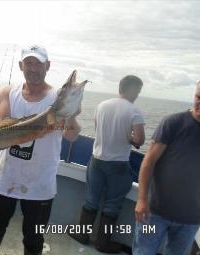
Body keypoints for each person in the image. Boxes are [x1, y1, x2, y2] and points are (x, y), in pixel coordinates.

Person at [0, 45, 81, 255]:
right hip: (6, 178)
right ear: (21, 65)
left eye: (38, 63)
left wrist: (69, 115)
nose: (33, 68)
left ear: (48, 66)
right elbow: (2, 126)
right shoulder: (8, 92)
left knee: (34, 237)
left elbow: (72, 135)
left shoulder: (57, 99)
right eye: (29, 63)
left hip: (40, 182)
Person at [69, 75, 145, 253]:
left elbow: (99, 130)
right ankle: (102, 243)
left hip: (96, 160)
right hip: (118, 164)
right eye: (138, 91)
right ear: (132, 90)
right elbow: (140, 139)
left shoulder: (102, 106)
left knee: (92, 199)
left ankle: (82, 234)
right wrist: (130, 138)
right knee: (112, 204)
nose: (138, 95)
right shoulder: (135, 111)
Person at [132, 82, 200, 255]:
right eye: (198, 97)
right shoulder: (174, 122)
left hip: (191, 220)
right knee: (143, 252)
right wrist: (141, 200)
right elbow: (148, 162)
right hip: (154, 214)